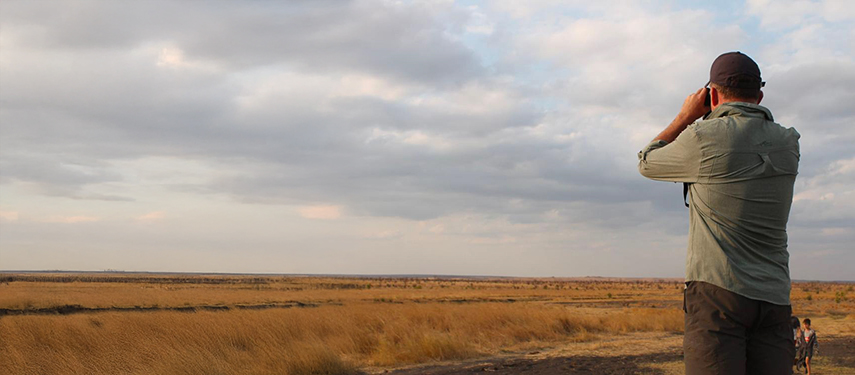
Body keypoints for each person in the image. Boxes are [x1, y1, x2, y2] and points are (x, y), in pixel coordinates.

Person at [638, 51, 800, 375]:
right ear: (760, 95)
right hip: (774, 298)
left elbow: (647, 161)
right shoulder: (789, 142)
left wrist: (685, 116)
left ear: (711, 95)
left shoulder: (703, 138)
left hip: (717, 295)